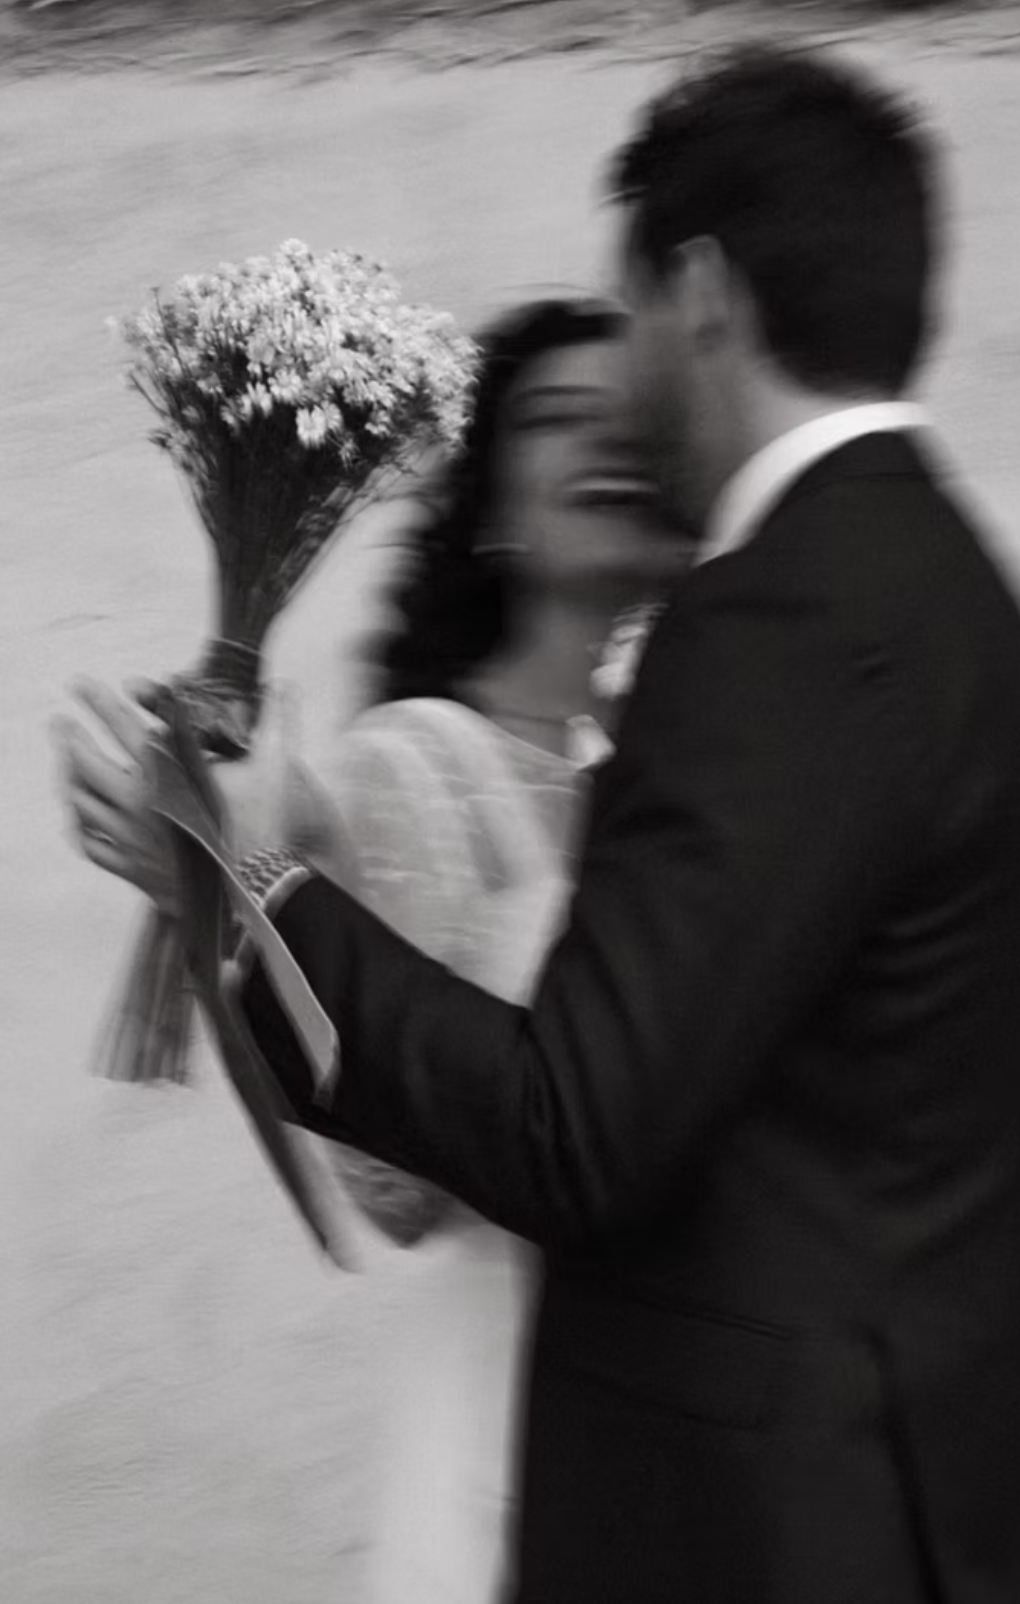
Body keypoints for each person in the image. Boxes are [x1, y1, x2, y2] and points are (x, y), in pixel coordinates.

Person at [59, 46, 1020, 1604]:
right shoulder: (946, 587)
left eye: (631, 307)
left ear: (704, 293)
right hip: (891, 1488)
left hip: (763, 1531)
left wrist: (253, 872)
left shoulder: (786, 617)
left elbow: (574, 1129)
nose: (623, 385)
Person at [56, 296, 689, 1604]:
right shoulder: (420, 765)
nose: (609, 443)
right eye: (561, 417)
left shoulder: (692, 765)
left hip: (694, 1405)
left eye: (635, 419)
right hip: (516, 1400)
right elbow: (394, 1189)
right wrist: (223, 873)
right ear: (494, 509)